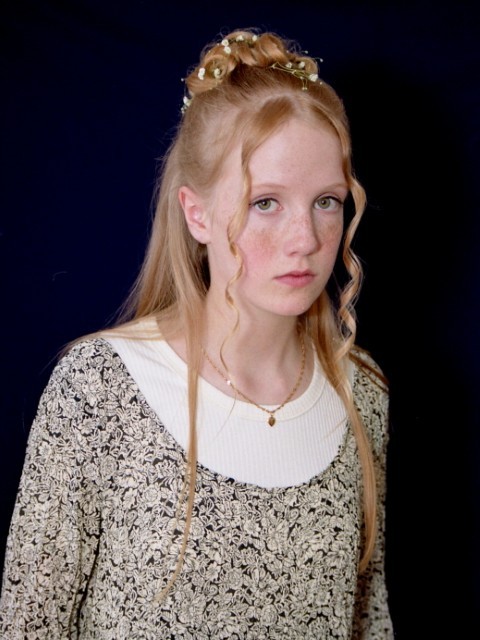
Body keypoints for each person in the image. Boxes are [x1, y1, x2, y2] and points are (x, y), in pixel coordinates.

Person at [0, 28, 394, 638]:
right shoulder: (100, 389)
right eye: (266, 202)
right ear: (197, 213)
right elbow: (30, 624)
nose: (306, 240)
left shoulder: (361, 392)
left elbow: (368, 619)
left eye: (326, 201)